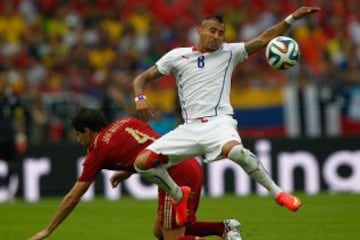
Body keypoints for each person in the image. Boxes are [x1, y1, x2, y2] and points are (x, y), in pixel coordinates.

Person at [132, 6, 321, 225]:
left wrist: (292, 18)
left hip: (219, 123)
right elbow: (140, 79)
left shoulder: (230, 52)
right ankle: (178, 195)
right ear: (199, 31)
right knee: (141, 163)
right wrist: (140, 98)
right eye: (212, 31)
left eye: (221, 33)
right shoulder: (177, 56)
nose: (216, 36)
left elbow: (265, 38)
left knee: (237, 152)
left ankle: (278, 193)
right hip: (189, 128)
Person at [27, 108, 242, 240]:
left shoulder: (98, 150)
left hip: (176, 176)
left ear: (88, 131)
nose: (77, 140)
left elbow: (74, 196)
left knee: (173, 237)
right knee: (161, 231)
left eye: (77, 135)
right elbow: (151, 146)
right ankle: (224, 228)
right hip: (187, 165)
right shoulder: (126, 121)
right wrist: (127, 171)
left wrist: (48, 229)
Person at [0, 67, 28, 202]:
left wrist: (21, 134)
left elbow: (20, 116)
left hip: (9, 136)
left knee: (12, 163)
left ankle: (8, 191)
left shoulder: (13, 99)